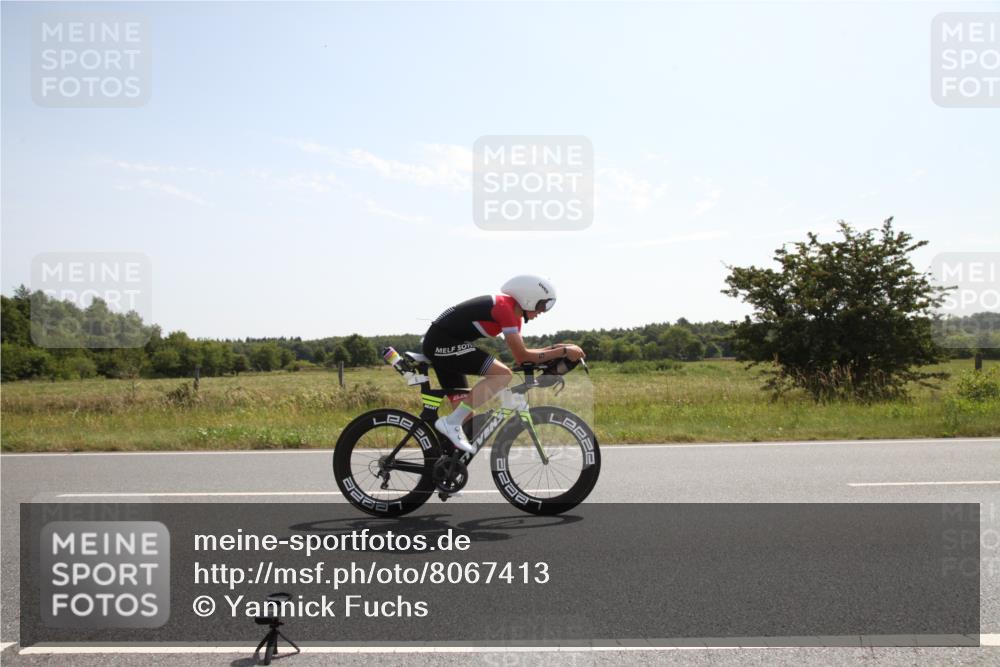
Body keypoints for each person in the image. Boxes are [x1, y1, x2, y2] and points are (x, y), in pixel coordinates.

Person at [422, 275, 585, 453]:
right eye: (542, 305)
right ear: (528, 298)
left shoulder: (514, 316)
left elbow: (522, 356)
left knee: (468, 424)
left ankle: (441, 468)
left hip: (447, 344)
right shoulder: (504, 308)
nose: (542, 311)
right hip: (441, 343)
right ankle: (450, 422)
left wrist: (558, 348)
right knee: (502, 374)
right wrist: (563, 351)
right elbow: (522, 356)